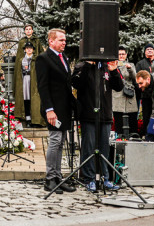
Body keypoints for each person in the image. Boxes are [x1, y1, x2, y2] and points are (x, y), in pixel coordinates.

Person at [72, 58, 124, 191]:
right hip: (88, 114)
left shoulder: (107, 67)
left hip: (105, 115)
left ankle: (105, 177)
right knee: (89, 147)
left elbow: (118, 87)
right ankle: (89, 178)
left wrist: (114, 71)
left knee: (104, 148)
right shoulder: (81, 66)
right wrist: (88, 65)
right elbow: (77, 83)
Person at [36, 29, 77, 193]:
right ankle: (49, 179)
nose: (64, 42)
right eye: (61, 40)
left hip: (64, 107)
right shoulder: (43, 59)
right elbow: (43, 86)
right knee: (54, 141)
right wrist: (49, 109)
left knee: (61, 143)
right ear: (51, 41)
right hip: (53, 108)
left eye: (65, 40)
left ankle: (58, 177)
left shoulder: (64, 58)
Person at [112, 47, 139, 137]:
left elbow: (135, 78)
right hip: (117, 95)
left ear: (126, 55)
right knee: (118, 118)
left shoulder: (131, 64)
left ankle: (133, 137)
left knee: (132, 118)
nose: (121, 56)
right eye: (119, 54)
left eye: (123, 54)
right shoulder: (113, 65)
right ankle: (119, 137)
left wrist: (130, 69)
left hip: (129, 95)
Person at [15, 44, 42, 127]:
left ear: (33, 50)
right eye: (27, 48)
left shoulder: (37, 59)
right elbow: (18, 72)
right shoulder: (21, 60)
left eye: (31, 48)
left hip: (34, 81)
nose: (29, 50)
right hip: (25, 80)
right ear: (25, 50)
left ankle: (36, 120)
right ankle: (27, 119)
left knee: (34, 100)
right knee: (26, 99)